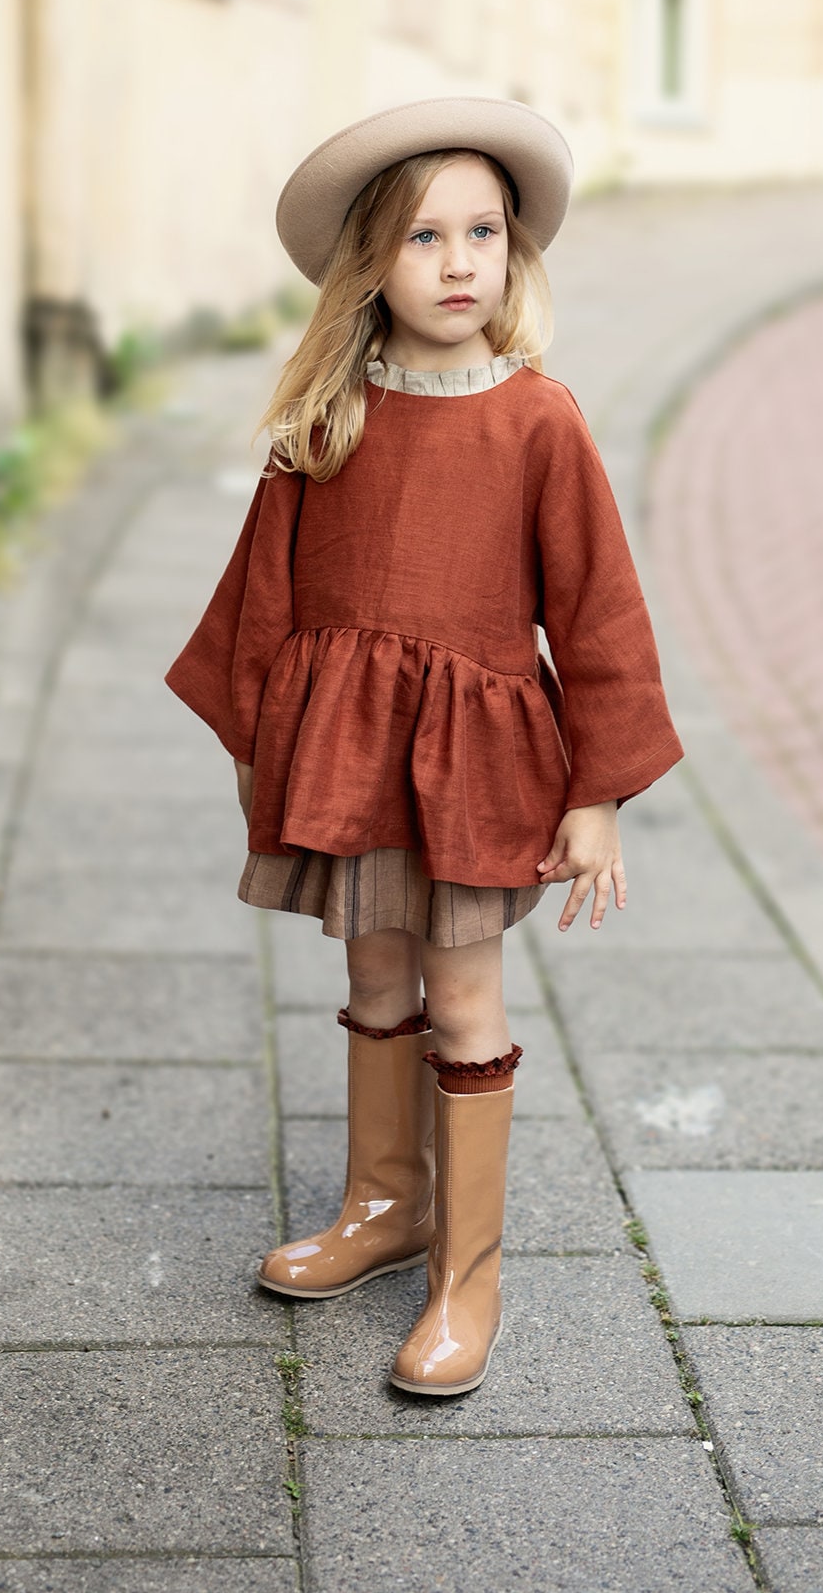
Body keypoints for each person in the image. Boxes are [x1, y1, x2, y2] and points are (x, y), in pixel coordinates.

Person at [165, 96, 684, 1397]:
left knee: (460, 998)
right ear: (367, 267)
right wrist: (257, 749)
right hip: (350, 759)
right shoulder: (327, 419)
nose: (459, 263)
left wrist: (598, 793)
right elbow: (259, 602)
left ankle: (467, 1273)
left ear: (516, 252)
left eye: (483, 233)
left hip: (471, 766)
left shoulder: (537, 422)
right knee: (377, 978)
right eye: (422, 239)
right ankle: (381, 1208)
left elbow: (600, 608)